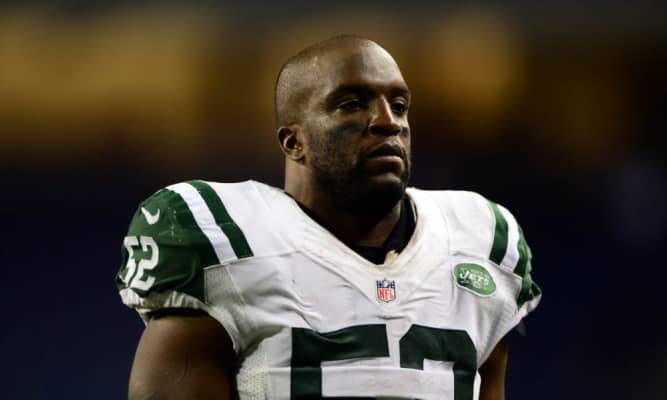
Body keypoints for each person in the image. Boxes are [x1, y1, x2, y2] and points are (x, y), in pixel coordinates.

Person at [116, 35, 541, 400]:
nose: (388, 122)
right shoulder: (223, 237)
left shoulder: (480, 240)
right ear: (293, 141)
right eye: (352, 105)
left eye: (398, 105)